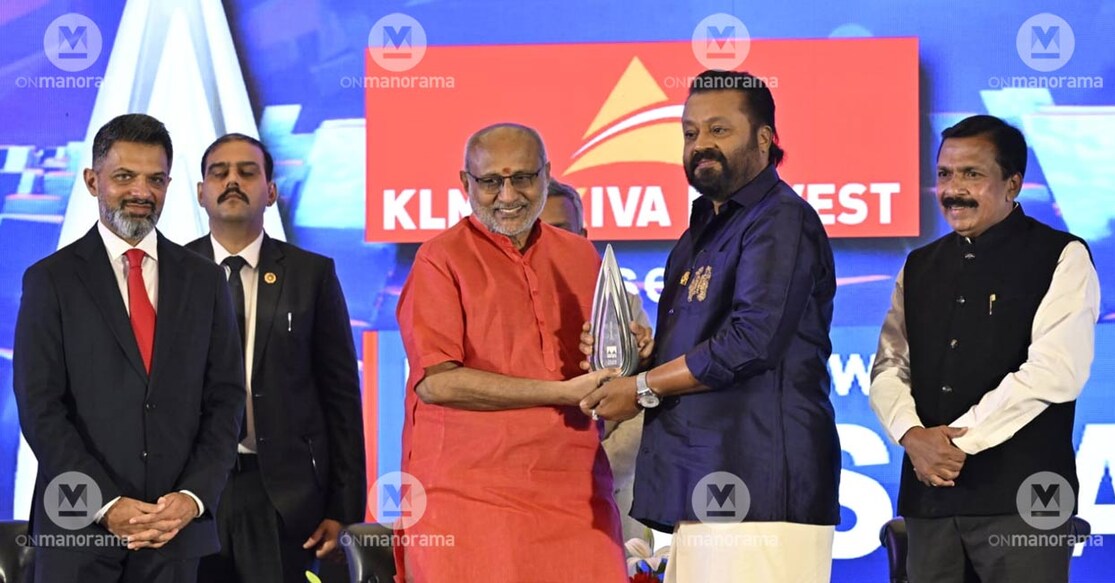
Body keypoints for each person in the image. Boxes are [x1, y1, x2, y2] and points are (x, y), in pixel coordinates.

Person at [580, 70, 841, 583]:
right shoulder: (698, 233)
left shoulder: (781, 219)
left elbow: (750, 342)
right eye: (690, 133)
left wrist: (641, 387)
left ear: (764, 139)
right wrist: (641, 358)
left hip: (761, 487)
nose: (701, 145)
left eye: (719, 131)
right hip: (703, 483)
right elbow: (705, 346)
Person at [395, 123, 650, 582]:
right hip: (471, 500)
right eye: (490, 181)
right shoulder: (439, 258)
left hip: (575, 492)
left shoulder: (580, 255)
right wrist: (560, 391)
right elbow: (437, 381)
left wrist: (632, 356)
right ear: (464, 184)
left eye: (523, 178)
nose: (507, 195)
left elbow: (601, 374)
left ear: (547, 176)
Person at [13, 113, 245, 582]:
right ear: (92, 181)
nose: (141, 191)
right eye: (125, 176)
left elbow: (225, 400)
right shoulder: (50, 280)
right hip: (78, 530)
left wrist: (193, 498)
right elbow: (41, 408)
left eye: (155, 179)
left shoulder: (204, 280)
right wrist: (106, 503)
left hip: (174, 533)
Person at [868, 114, 1100, 582]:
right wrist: (913, 438)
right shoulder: (919, 266)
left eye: (972, 174)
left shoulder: (1061, 256)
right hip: (929, 505)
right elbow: (889, 365)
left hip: (1024, 505)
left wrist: (955, 444)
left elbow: (1056, 371)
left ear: (1012, 183)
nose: (954, 189)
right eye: (944, 174)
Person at [187, 134, 366, 583]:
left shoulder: (311, 275)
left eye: (247, 172)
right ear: (200, 192)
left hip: (282, 497)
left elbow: (341, 396)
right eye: (219, 172)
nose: (232, 181)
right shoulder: (169, 273)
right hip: (188, 496)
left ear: (270, 191)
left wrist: (343, 510)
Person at [539, 180, 653, 546]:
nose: (550, 241)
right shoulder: (496, 307)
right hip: (523, 494)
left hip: (610, 498)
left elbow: (648, 398)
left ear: (583, 235)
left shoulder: (623, 304)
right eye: (538, 231)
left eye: (563, 230)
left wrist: (594, 470)